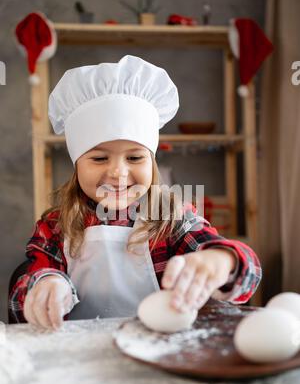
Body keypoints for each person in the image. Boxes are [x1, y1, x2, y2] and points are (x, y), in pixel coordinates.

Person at [8, 55, 262, 329]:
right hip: (81, 355)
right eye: (99, 158)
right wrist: (44, 285)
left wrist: (222, 261)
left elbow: (242, 266)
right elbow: (23, 293)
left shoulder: (172, 218)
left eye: (134, 158)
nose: (118, 173)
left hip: (158, 349)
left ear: (151, 162)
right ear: (76, 164)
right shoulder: (55, 227)